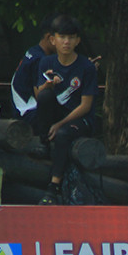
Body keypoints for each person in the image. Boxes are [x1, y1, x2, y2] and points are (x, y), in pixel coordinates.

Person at [31, 15, 99, 205]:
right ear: (53, 39)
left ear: (77, 41)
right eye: (62, 37)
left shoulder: (86, 67)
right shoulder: (46, 63)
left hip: (79, 119)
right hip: (56, 114)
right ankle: (44, 141)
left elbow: (86, 105)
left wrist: (60, 123)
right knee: (45, 97)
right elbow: (39, 96)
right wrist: (48, 85)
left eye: (71, 38)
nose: (66, 42)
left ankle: (54, 186)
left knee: (62, 134)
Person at [10, 13, 57, 122]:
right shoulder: (39, 59)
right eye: (62, 37)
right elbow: (41, 97)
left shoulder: (33, 51)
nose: (65, 42)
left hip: (21, 110)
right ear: (50, 38)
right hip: (28, 113)